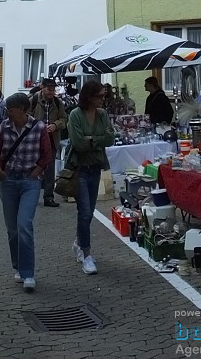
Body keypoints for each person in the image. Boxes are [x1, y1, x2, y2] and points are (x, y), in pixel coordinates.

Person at [0, 92, 52, 292]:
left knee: (24, 224)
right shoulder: (3, 127)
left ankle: (28, 273)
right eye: (7, 109)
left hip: (29, 181)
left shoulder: (39, 128)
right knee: (12, 230)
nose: (8, 113)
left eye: (11, 109)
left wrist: (36, 172)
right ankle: (17, 266)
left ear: (23, 110)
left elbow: (46, 155)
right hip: (8, 181)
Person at [65, 79, 115, 276]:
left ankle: (78, 243)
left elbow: (111, 137)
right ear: (89, 96)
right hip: (80, 169)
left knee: (89, 211)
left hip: (95, 168)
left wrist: (92, 139)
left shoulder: (102, 115)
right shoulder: (75, 115)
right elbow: (78, 144)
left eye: (104, 96)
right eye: (100, 96)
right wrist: (98, 140)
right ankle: (86, 254)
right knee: (84, 212)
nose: (103, 99)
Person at [29, 78, 67, 207]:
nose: (51, 92)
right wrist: (36, 126)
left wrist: (55, 125)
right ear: (42, 87)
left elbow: (64, 119)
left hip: (51, 140)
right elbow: (26, 117)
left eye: (53, 89)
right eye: (48, 89)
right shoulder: (33, 100)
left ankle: (48, 197)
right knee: (35, 168)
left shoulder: (57, 102)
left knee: (50, 169)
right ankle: (31, 196)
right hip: (35, 140)